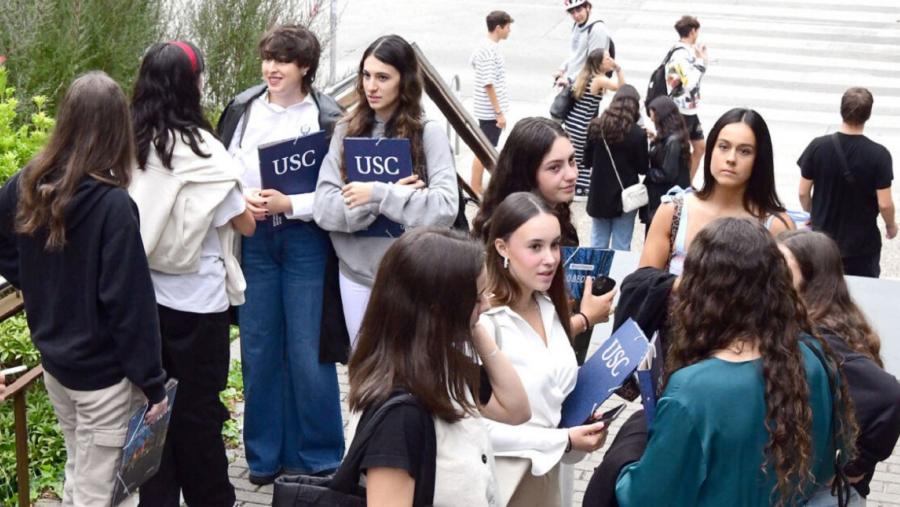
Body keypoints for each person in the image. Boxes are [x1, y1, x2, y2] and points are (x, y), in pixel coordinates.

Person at [0, 71, 167, 506]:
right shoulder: (112, 205)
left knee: (81, 472)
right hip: (102, 380)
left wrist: (37, 283)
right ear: (118, 128)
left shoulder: (28, 183)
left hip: (57, 366)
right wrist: (153, 383)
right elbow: (129, 305)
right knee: (103, 493)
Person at [614, 218, 856, 506]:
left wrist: (626, 458)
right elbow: (829, 462)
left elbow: (645, 498)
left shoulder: (693, 391)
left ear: (700, 291)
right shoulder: (815, 355)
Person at [216, 24, 345, 485]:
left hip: (304, 238)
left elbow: (337, 191)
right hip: (255, 237)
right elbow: (223, 166)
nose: (272, 68)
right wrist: (242, 197)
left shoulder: (326, 117)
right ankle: (264, 456)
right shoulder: (244, 109)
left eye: (283, 61)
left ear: (304, 67)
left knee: (310, 349)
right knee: (259, 347)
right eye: (268, 58)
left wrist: (295, 204)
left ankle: (321, 456)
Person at [128, 41, 255, 505]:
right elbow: (244, 222)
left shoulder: (131, 144)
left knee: (153, 409)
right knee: (200, 413)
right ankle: (210, 498)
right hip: (200, 304)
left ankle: (157, 499)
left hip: (146, 303)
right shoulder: (206, 151)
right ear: (192, 86)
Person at [348, 227, 530, 506]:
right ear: (439, 308)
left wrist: (473, 326)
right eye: (477, 297)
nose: (487, 304)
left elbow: (516, 409)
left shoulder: (442, 367)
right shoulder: (398, 416)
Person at [315, 34, 459, 347]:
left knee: (410, 377)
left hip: (412, 278)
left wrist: (381, 194)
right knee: (363, 376)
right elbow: (324, 209)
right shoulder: (345, 129)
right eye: (366, 75)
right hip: (355, 276)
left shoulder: (427, 133)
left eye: (383, 77)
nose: (371, 86)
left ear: (404, 81)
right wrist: (369, 201)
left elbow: (446, 208)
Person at [481, 192, 611, 507]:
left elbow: (553, 402)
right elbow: (471, 426)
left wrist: (580, 423)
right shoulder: (483, 322)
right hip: (500, 484)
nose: (551, 258)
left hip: (551, 480)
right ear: (502, 248)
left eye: (554, 245)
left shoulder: (548, 306)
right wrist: (562, 440)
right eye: (535, 247)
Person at [778, 230, 900, 504]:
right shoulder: (831, 320)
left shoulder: (823, 337)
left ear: (811, 277)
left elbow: (887, 394)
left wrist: (856, 464)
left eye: (782, 268)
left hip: (820, 494)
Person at [472, 117, 614, 339]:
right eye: (555, 167)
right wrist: (584, 319)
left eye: (572, 161)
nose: (571, 175)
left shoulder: (558, 216)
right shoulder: (501, 234)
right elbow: (518, 336)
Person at [640, 107, 794, 274]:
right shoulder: (673, 212)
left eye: (744, 151)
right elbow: (640, 286)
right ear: (711, 150)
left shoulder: (776, 226)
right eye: (723, 147)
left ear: (759, 159)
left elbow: (787, 294)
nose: (731, 159)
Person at [797, 87, 896, 278]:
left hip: (823, 242)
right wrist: (891, 226)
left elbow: (803, 192)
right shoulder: (879, 155)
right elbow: (884, 203)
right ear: (868, 114)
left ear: (841, 110)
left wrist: (813, 213)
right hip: (862, 246)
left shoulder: (818, 146)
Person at [585, 84, 648, 250]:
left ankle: (595, 275)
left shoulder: (595, 127)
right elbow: (643, 168)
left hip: (599, 195)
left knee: (598, 242)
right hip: (626, 196)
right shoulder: (638, 134)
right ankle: (618, 276)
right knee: (622, 244)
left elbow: (587, 161)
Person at [563, 49, 624, 199]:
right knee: (583, 156)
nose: (611, 60)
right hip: (582, 124)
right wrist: (618, 69)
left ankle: (578, 186)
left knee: (577, 155)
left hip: (572, 122)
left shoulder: (586, 75)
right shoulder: (599, 79)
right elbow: (622, 88)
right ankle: (580, 189)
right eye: (607, 59)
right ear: (599, 63)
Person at [469, 10, 513, 197]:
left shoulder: (484, 45)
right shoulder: (489, 50)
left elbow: (472, 62)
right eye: (507, 27)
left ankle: (477, 185)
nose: (509, 31)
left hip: (485, 107)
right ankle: (475, 186)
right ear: (498, 28)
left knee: (485, 145)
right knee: (484, 147)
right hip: (489, 110)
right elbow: (488, 83)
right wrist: (498, 112)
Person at [667, 15, 708, 178]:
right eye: (697, 31)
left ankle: (687, 183)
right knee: (680, 152)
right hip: (681, 111)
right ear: (692, 31)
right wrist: (700, 61)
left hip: (690, 110)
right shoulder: (680, 55)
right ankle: (681, 185)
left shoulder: (687, 51)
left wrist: (702, 58)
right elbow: (689, 83)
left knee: (700, 147)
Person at [641, 95, 691, 229]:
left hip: (663, 198)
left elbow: (667, 173)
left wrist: (647, 171)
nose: (651, 119)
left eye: (653, 116)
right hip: (667, 197)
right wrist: (655, 139)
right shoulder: (674, 137)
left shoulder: (672, 141)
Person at [554, 0, 610, 86]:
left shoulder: (597, 29)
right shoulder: (577, 25)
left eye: (579, 10)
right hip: (574, 82)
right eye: (572, 12)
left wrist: (570, 79)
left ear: (588, 7)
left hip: (587, 86)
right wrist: (562, 69)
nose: (576, 15)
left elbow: (594, 63)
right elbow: (575, 53)